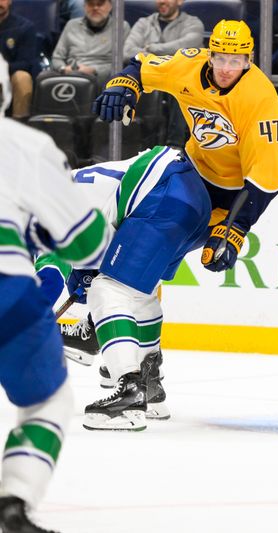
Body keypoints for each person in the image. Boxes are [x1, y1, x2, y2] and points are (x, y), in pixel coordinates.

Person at [0, 54, 110, 532]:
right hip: (10, 289)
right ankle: (14, 501)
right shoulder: (24, 144)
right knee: (47, 404)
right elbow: (86, 243)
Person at [93, 19, 278, 274]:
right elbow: (141, 66)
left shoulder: (260, 98)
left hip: (232, 196)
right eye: (221, 58)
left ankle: (123, 297)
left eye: (235, 61)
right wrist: (124, 85)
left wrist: (234, 228)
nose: (227, 69)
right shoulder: (189, 65)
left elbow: (266, 178)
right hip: (193, 172)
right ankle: (100, 286)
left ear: (248, 60)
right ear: (210, 56)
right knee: (140, 234)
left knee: (161, 255)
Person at [50, 146, 211, 431]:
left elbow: (48, 277)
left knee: (108, 290)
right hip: (189, 197)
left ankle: (129, 393)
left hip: (162, 193)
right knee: (136, 290)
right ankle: (150, 386)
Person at [123, 0, 204, 147]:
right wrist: (164, 55)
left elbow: (186, 49)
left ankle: (175, 145)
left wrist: (151, 48)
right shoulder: (143, 23)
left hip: (179, 76)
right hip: (150, 74)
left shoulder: (193, 23)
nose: (162, 1)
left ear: (179, 1)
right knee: (126, 77)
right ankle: (134, 144)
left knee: (180, 85)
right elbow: (127, 51)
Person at [49, 0, 130, 89]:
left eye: (100, 4)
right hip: (71, 78)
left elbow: (122, 63)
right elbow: (57, 57)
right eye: (91, 4)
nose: (95, 8)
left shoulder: (120, 27)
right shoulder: (72, 25)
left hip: (104, 80)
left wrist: (95, 70)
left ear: (110, 6)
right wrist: (63, 69)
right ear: (84, 6)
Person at [0, 0, 37, 118]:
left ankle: (20, 123)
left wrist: (2, 69)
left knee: (23, 77)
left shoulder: (24, 27)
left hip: (10, 75)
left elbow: (27, 63)